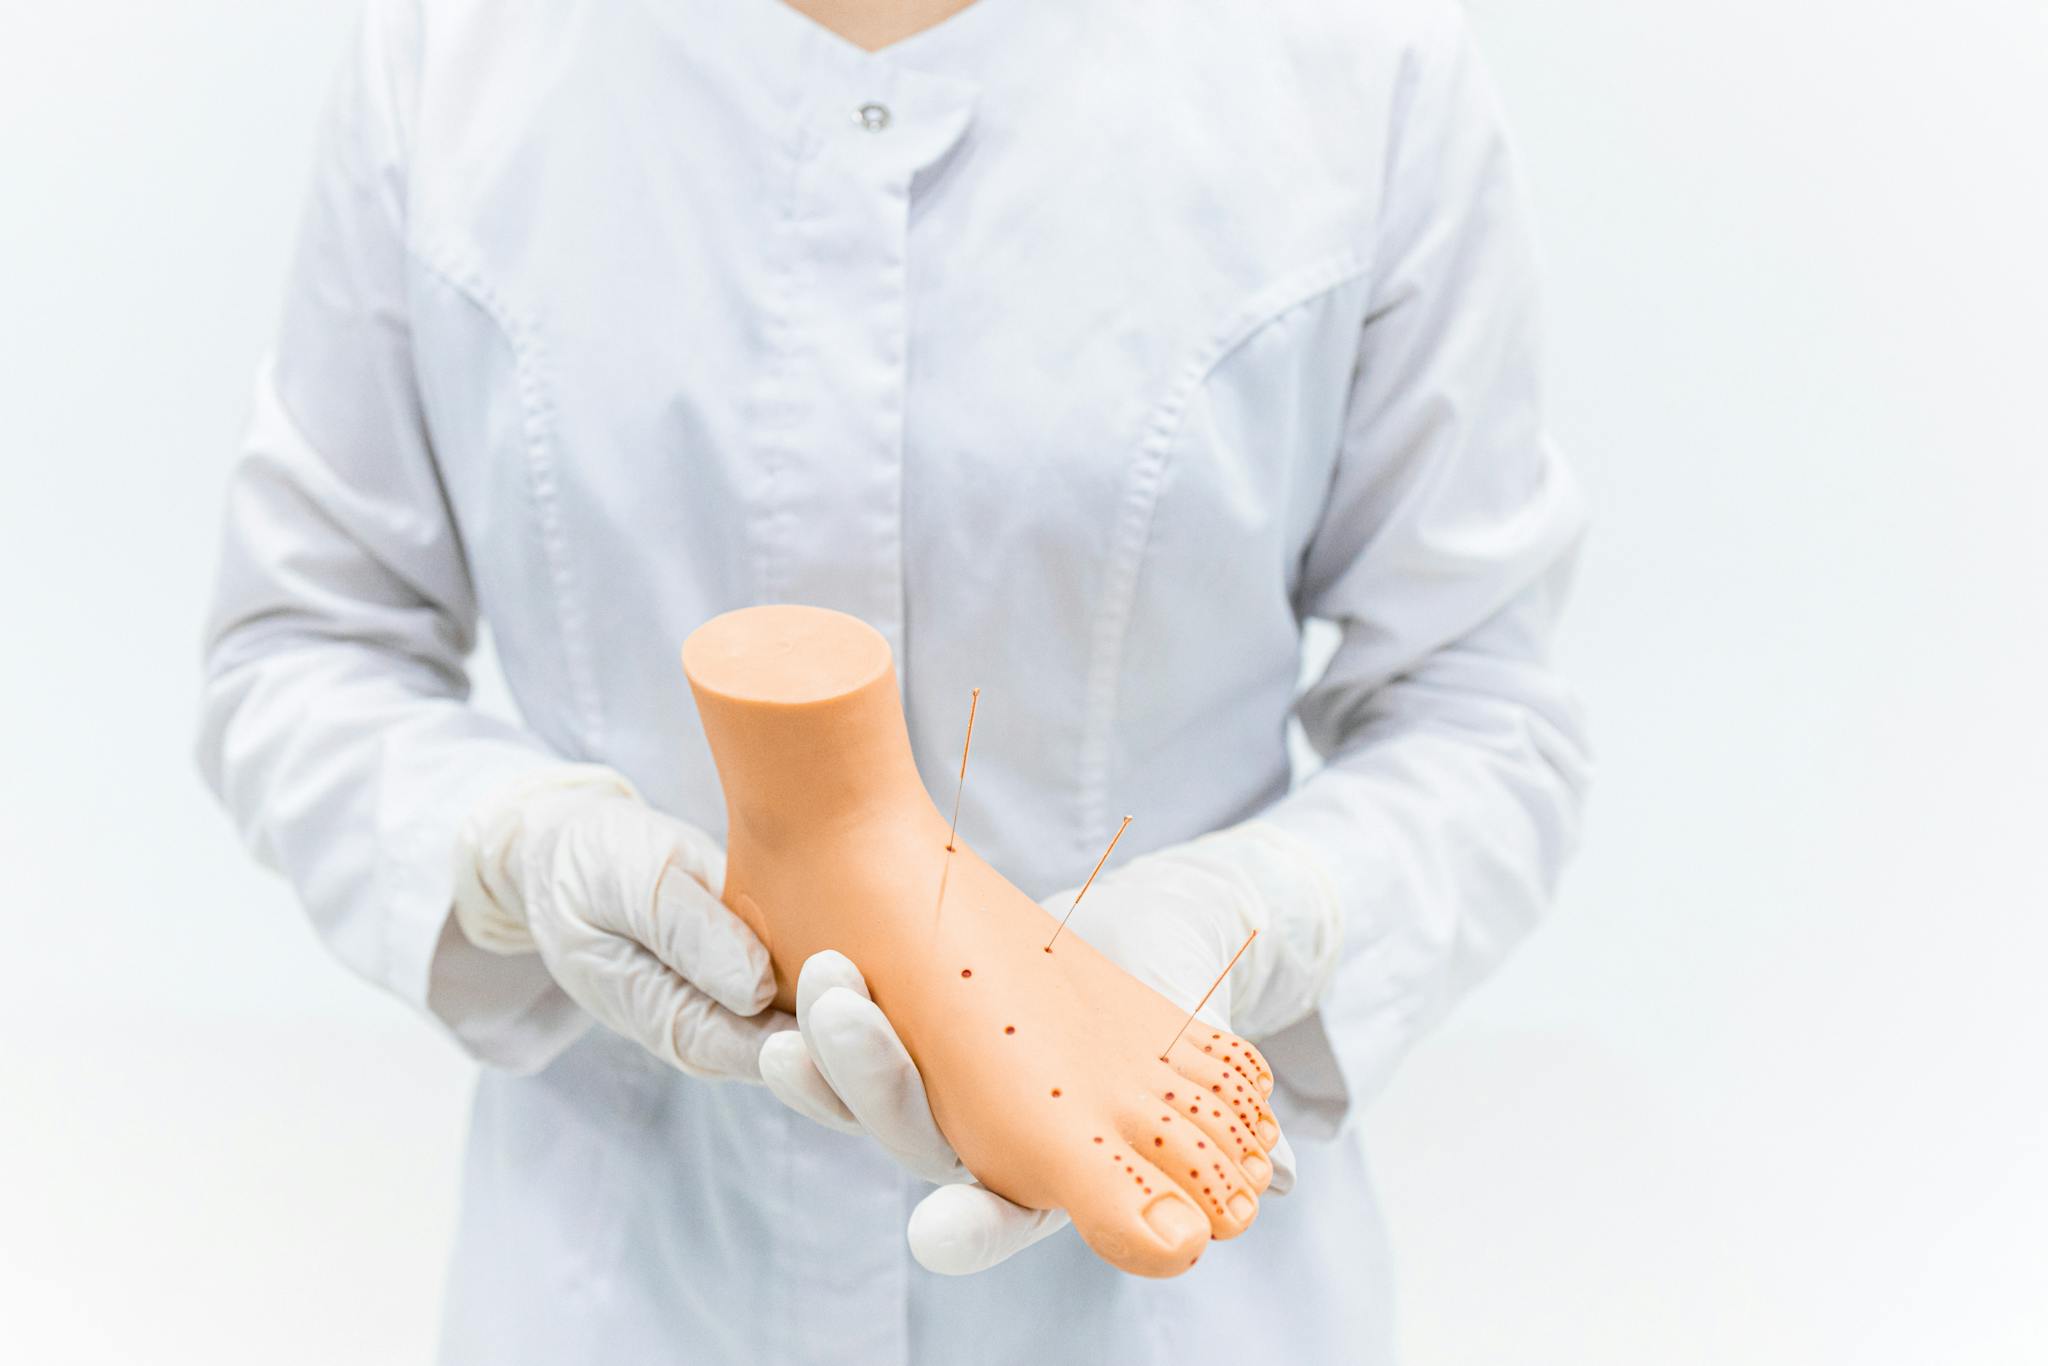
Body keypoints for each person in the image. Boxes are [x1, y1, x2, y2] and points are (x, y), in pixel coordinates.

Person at [198, 0, 1589, 1360]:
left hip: (1169, 1307)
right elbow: (300, 646)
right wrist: (513, 847)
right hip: (627, 1282)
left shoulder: (1355, 60)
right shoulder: (453, 54)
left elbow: (1482, 706)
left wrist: (1258, 912)